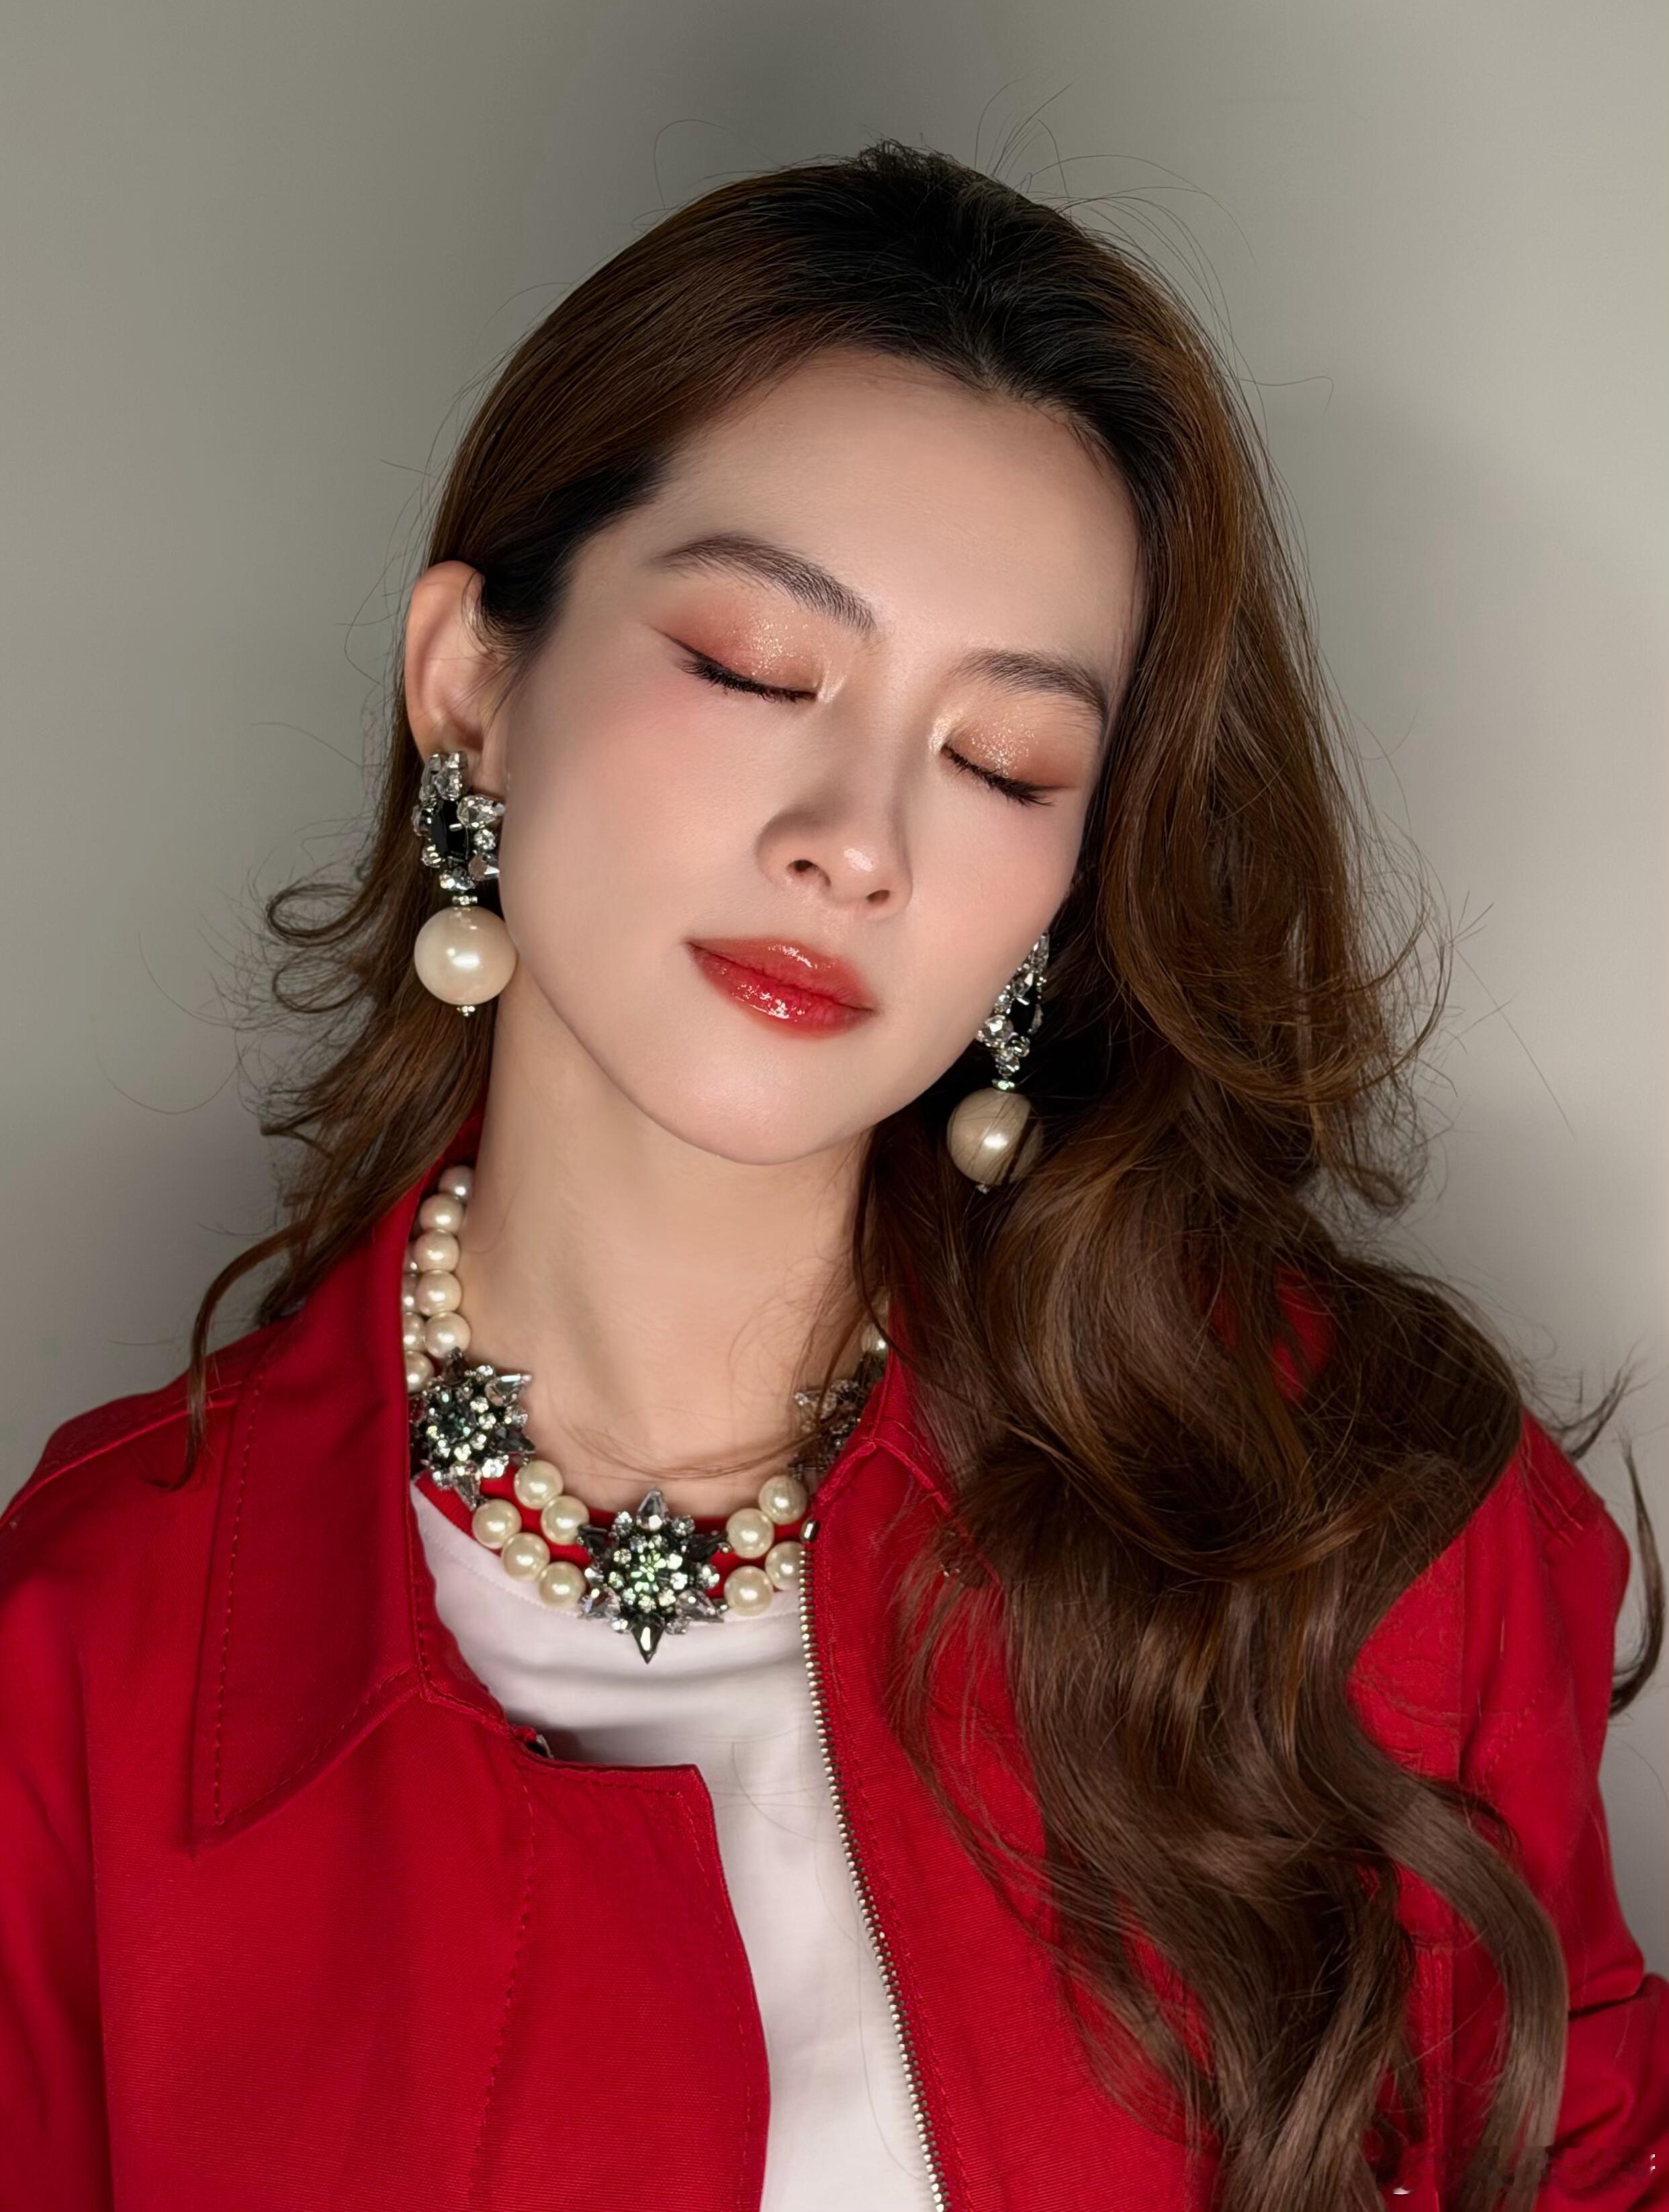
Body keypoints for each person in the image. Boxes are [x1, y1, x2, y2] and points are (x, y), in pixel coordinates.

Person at [1, 138, 1664, 2212]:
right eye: (756, 668)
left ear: (1064, 887)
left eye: (1003, 761)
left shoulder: (1352, 1526)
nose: (859, 839)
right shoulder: (86, 1655)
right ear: (473, 687)